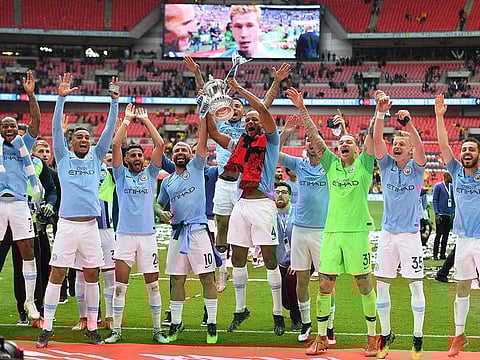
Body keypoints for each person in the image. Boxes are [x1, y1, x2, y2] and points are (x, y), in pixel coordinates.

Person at [184, 56, 291, 293]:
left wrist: (275, 82)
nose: (238, 110)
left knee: (248, 235)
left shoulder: (250, 132)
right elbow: (207, 99)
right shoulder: (224, 128)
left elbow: (265, 104)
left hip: (247, 188)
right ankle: (223, 272)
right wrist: (197, 74)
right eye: (233, 105)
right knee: (222, 227)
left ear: (242, 114)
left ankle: (257, 264)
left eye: (241, 108)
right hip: (225, 181)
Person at [286, 86, 378, 356]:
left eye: (350, 142)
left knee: (364, 284)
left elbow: (372, 135)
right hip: (331, 234)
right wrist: (302, 108)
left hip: (356, 233)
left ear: (357, 148)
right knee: (325, 284)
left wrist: (377, 112)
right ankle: (322, 337)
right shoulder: (331, 164)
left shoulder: (364, 165)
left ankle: (373, 338)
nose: (344, 145)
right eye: (341, 143)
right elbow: (315, 136)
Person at [36, 73, 119, 348]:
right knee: (57, 274)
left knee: (92, 275)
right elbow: (55, 132)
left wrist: (114, 102)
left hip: (91, 228)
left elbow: (108, 131)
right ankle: (47, 327)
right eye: (79, 137)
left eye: (87, 137)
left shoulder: (97, 157)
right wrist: (60, 98)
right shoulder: (62, 155)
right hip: (67, 226)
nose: (85, 139)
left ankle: (93, 327)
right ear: (72, 143)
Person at [207, 77, 284, 336]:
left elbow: (262, 109)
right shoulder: (239, 143)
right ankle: (241, 309)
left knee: (271, 259)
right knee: (237, 258)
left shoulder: (271, 142)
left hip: (263, 204)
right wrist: (207, 107)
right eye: (247, 120)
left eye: (255, 120)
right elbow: (216, 134)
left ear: (261, 123)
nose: (251, 122)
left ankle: (277, 313)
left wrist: (240, 90)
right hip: (241, 203)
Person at [104, 104, 168, 344]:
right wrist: (127, 120)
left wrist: (147, 121)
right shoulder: (120, 175)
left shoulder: (151, 174)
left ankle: (157, 330)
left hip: (147, 237)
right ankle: (117, 331)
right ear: (127, 160)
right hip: (124, 236)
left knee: (153, 286)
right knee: (120, 286)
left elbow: (160, 145)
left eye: (140, 155)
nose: (138, 158)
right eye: (134, 155)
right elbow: (116, 145)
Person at [279, 113, 345, 344]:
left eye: (315, 140)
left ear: (321, 144)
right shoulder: (298, 164)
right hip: (300, 230)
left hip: (322, 231)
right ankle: (306, 323)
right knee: (302, 280)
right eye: (308, 140)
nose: (311, 144)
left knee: (328, 280)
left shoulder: (330, 165)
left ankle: (329, 326)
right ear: (305, 145)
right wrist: (286, 132)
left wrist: (342, 128)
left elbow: (347, 157)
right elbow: (272, 154)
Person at [372, 94, 426, 360]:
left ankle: (417, 338)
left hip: (410, 236)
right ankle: (386, 334)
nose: (396, 146)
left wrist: (410, 126)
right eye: (395, 142)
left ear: (410, 149)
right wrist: (381, 113)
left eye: (401, 143)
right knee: (382, 285)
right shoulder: (385, 165)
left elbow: (420, 148)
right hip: (387, 235)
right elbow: (376, 140)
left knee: (415, 286)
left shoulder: (417, 168)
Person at [157, 112, 218, 344]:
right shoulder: (168, 181)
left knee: (207, 279)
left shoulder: (197, 168)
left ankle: (211, 324)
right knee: (176, 280)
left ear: (191, 155)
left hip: (198, 231)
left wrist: (203, 113)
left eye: (184, 150)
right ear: (172, 156)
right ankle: (176, 323)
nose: (180, 153)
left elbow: (203, 138)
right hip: (177, 233)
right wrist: (159, 211)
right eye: (177, 151)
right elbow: (158, 202)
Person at [435, 94, 480, 357]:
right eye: (463, 149)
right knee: (461, 289)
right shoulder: (456, 171)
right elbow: (443, 147)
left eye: (471, 149)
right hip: (463, 241)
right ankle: (459, 337)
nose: (466, 153)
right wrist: (440, 116)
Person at [0, 70, 41, 322]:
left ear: (18, 129)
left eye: (13, 125)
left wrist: (31, 95)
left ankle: (30, 303)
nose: (9, 128)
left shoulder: (24, 143)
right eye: (4, 125)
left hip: (18, 204)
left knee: (28, 252)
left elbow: (36, 120)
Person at [274, 181, 301, 331]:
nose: (280, 194)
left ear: (290, 196)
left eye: (284, 192)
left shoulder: (298, 213)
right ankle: (296, 308)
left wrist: (297, 260)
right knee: (286, 301)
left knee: (291, 281)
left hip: (301, 259)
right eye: (277, 192)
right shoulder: (269, 214)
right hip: (281, 261)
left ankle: (297, 318)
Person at [219, 5, 294, 59]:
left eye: (250, 26)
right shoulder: (223, 59)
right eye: (238, 26)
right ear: (231, 28)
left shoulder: (284, 59)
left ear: (260, 27)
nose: (244, 34)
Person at [432, 171, 455, 260]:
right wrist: (437, 213)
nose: (452, 178)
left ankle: (442, 254)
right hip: (440, 215)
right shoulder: (438, 186)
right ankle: (435, 254)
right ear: (446, 176)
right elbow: (435, 200)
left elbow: (454, 201)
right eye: (450, 177)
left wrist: (453, 211)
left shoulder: (451, 187)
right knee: (438, 235)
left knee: (446, 235)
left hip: (448, 215)